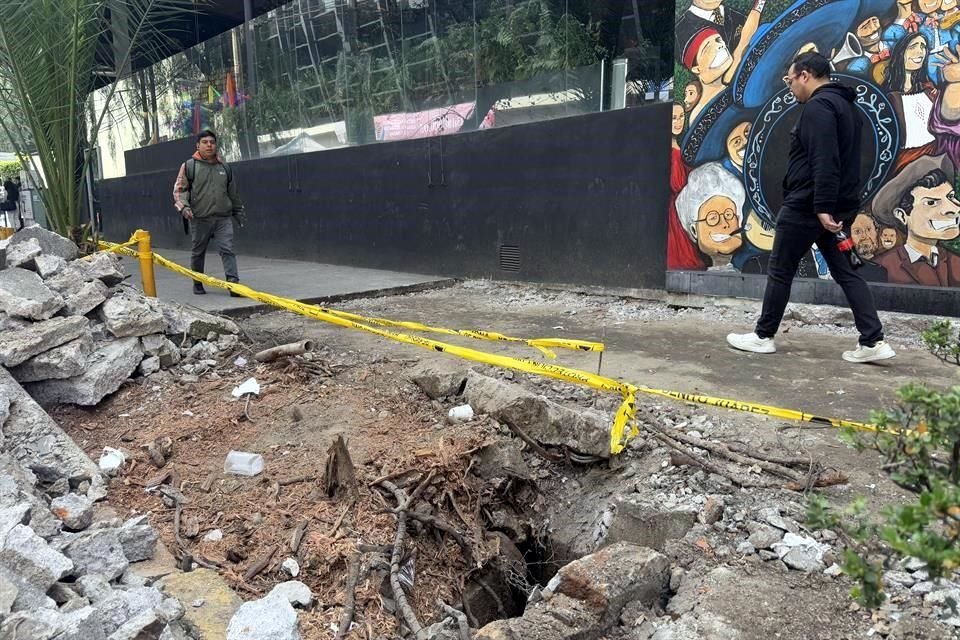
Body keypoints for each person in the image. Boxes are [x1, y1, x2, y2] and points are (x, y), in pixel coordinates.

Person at [726, 52, 895, 363]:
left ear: (805, 74)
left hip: (809, 206)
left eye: (790, 79)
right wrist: (835, 207)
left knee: (780, 270)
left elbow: (824, 159)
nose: (790, 86)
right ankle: (872, 340)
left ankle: (764, 336)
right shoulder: (847, 107)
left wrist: (821, 206)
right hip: (832, 209)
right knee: (847, 273)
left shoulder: (819, 107)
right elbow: (849, 162)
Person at [172, 129, 245, 296]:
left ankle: (233, 284)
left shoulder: (225, 168)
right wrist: (184, 208)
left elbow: (233, 193)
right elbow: (179, 190)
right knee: (198, 251)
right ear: (198, 145)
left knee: (228, 249)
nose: (209, 145)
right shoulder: (189, 166)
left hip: (223, 218)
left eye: (212, 142)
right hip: (199, 218)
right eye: (205, 142)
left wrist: (238, 212)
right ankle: (198, 282)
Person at [871, 153, 960, 285]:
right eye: (931, 203)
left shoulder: (955, 263)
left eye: (951, 197)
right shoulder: (883, 267)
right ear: (902, 215)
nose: (953, 208)